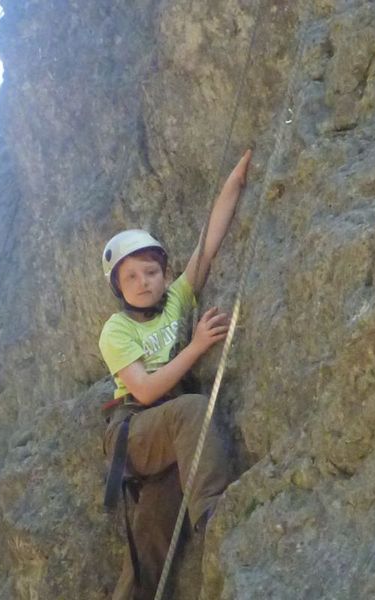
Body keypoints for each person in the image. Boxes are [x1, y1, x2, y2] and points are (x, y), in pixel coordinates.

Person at [99, 150, 252, 600]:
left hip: (171, 435)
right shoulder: (116, 329)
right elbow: (145, 390)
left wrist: (237, 177)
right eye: (131, 277)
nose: (144, 281)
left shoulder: (179, 298)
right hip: (136, 430)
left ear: (166, 274)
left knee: (151, 541)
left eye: (151, 271)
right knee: (191, 410)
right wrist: (197, 346)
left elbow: (208, 242)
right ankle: (215, 517)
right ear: (119, 289)